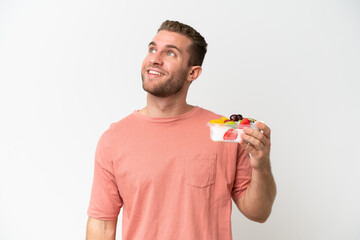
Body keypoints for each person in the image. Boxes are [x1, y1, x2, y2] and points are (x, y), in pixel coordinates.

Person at [86, 20, 276, 240]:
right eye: (152, 49)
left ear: (193, 73)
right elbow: (101, 224)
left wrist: (261, 165)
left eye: (171, 54)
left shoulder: (223, 132)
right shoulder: (114, 139)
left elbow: (258, 213)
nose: (155, 59)